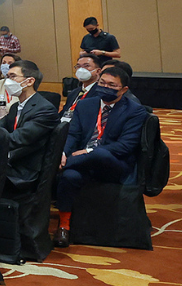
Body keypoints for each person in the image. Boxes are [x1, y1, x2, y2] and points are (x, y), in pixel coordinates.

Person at [53, 67, 146, 247]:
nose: (105, 87)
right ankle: (64, 226)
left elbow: (125, 146)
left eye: (112, 85)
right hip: (82, 165)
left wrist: (89, 152)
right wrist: (63, 152)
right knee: (69, 176)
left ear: (124, 89)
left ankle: (55, 166)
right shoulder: (86, 104)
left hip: (113, 163)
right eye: (102, 83)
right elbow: (73, 135)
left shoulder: (135, 111)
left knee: (100, 153)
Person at [0, 60, 60, 195]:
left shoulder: (45, 109)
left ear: (29, 81)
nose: (8, 81)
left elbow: (16, 139)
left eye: (13, 76)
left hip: (25, 172)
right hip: (12, 162)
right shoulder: (16, 107)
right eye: (7, 77)